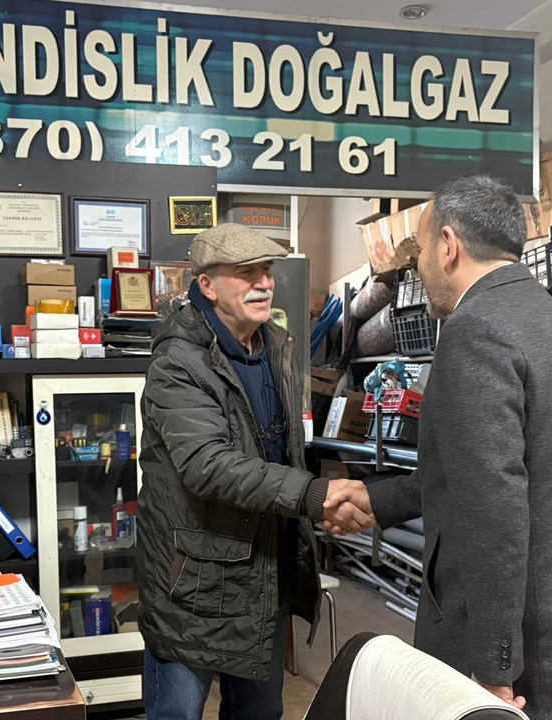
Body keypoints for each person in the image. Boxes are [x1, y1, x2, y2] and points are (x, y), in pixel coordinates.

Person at [325, 176, 552, 720]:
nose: (419, 267)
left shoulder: (475, 332)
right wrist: (378, 499)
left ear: (448, 246)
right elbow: (511, 472)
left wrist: (494, 666)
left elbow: (496, 505)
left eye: (421, 252)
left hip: (519, 644)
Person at [138, 223, 373, 720]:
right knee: (178, 714)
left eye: (266, 270)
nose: (264, 283)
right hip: (192, 585)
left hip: (264, 573)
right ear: (207, 285)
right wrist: (314, 495)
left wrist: (320, 503)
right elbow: (208, 465)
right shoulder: (178, 362)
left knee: (260, 714)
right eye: (246, 273)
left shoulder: (275, 348)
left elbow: (280, 452)